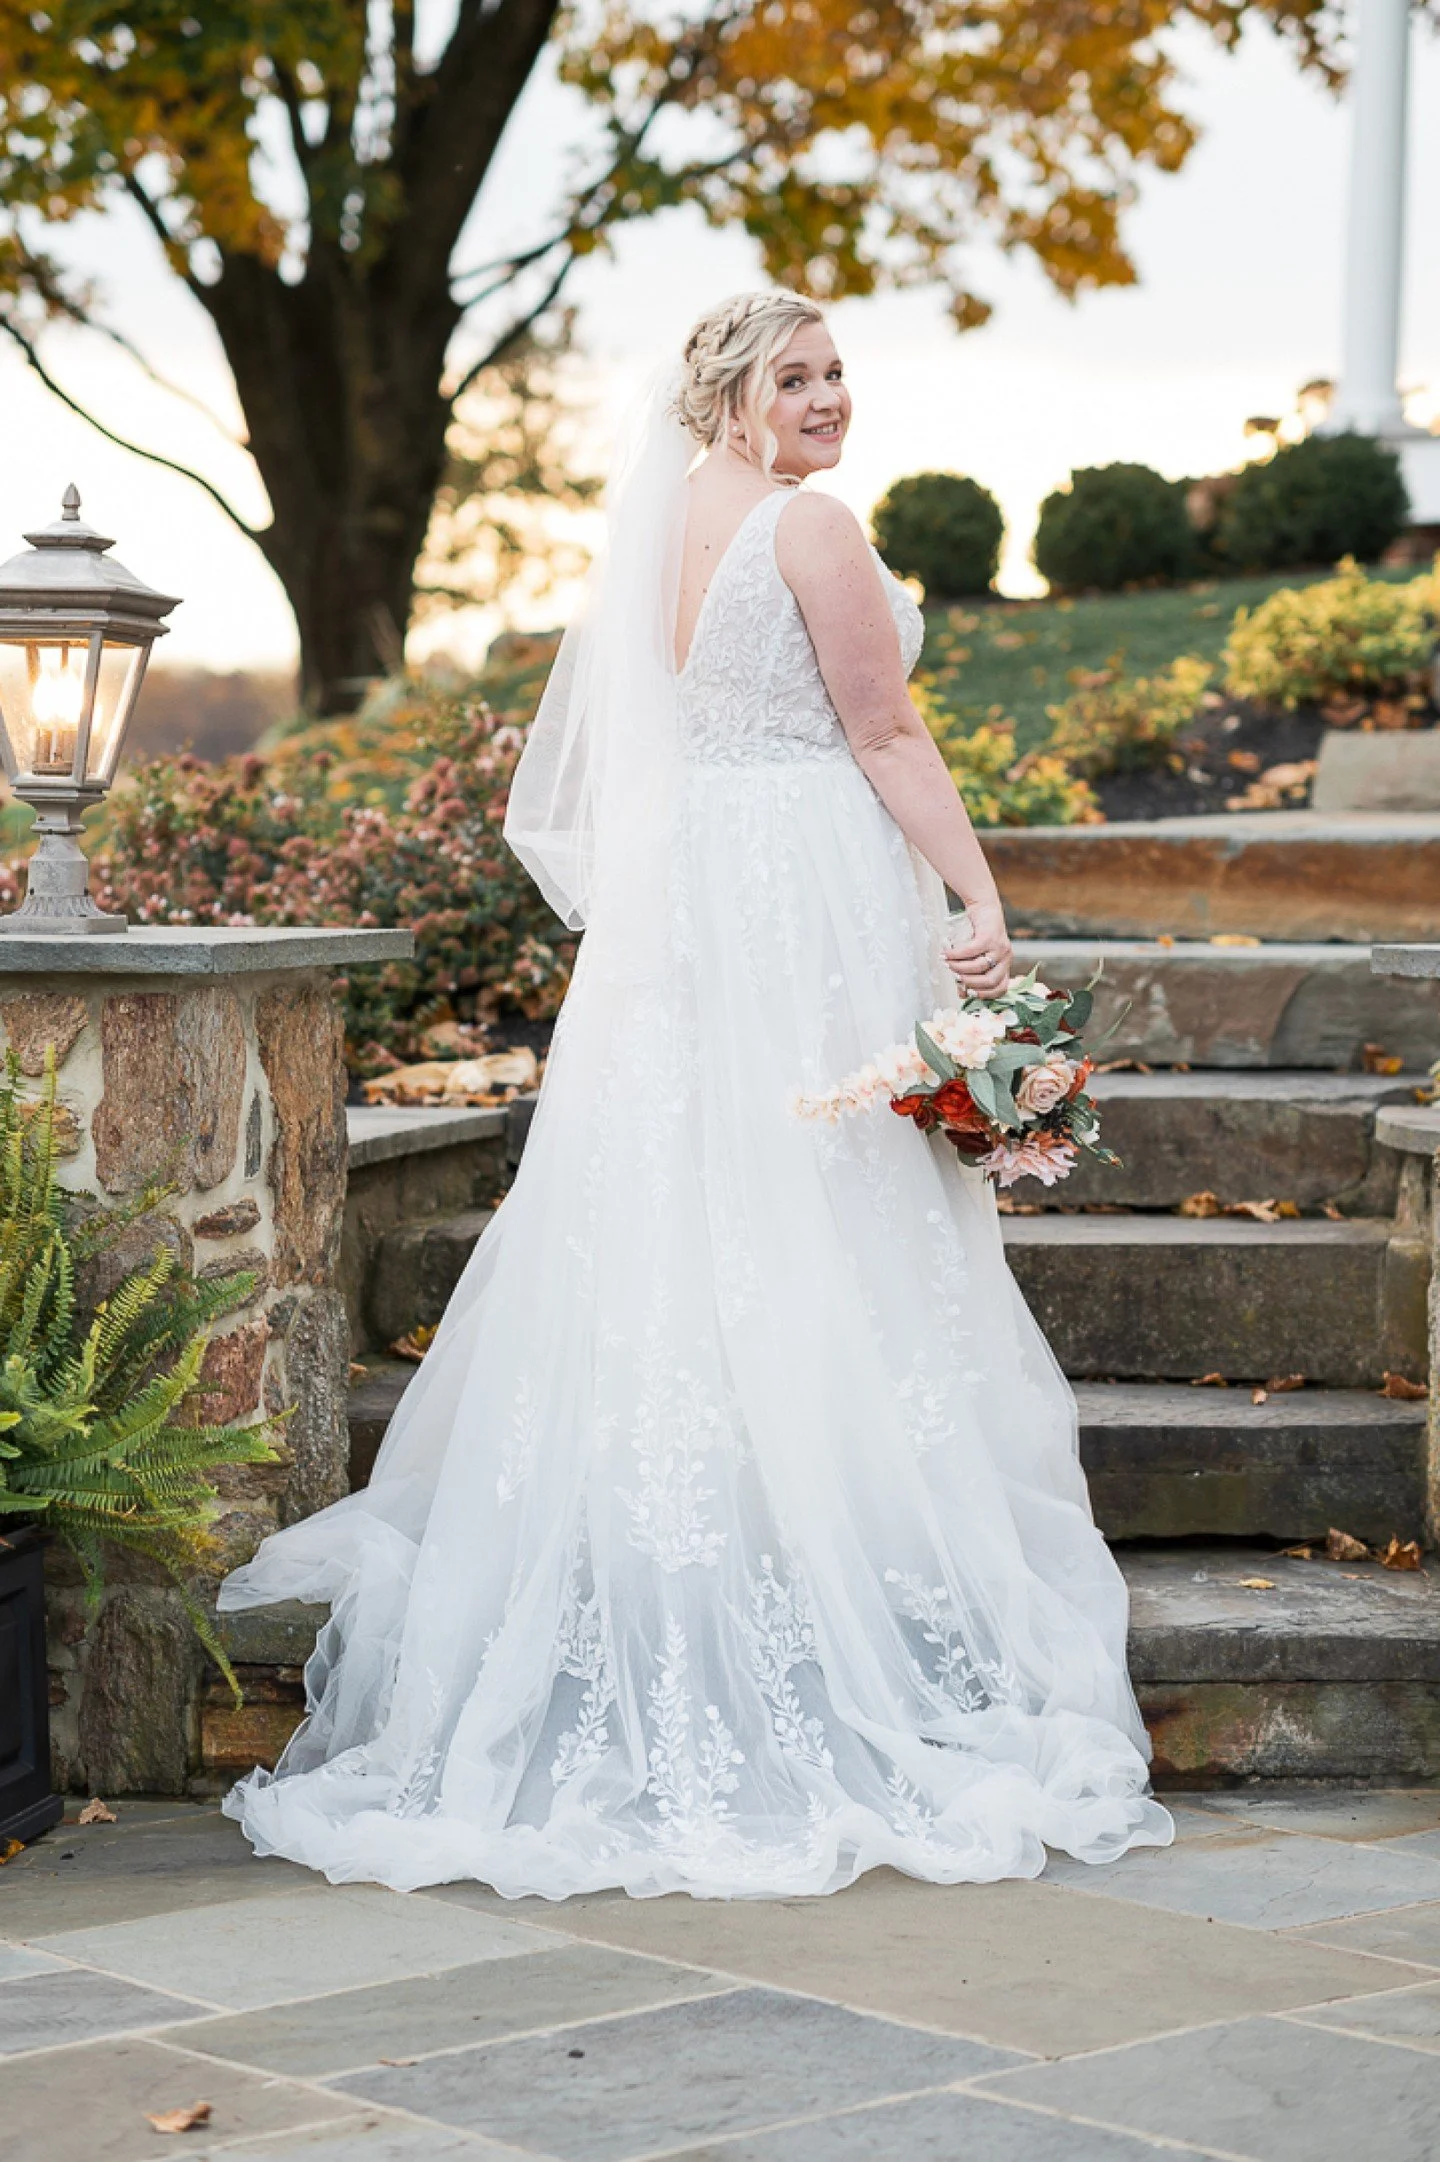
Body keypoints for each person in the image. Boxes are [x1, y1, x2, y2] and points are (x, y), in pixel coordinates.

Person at [220, 289, 1172, 1898]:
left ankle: (701, 1551)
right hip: (800, 897)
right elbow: (883, 728)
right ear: (729, 399)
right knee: (826, 1210)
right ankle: (836, 1568)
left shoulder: (662, 526)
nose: (828, 400)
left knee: (683, 1211)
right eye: (793, 378)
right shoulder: (809, 528)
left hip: (689, 912)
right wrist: (978, 894)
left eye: (837, 373)